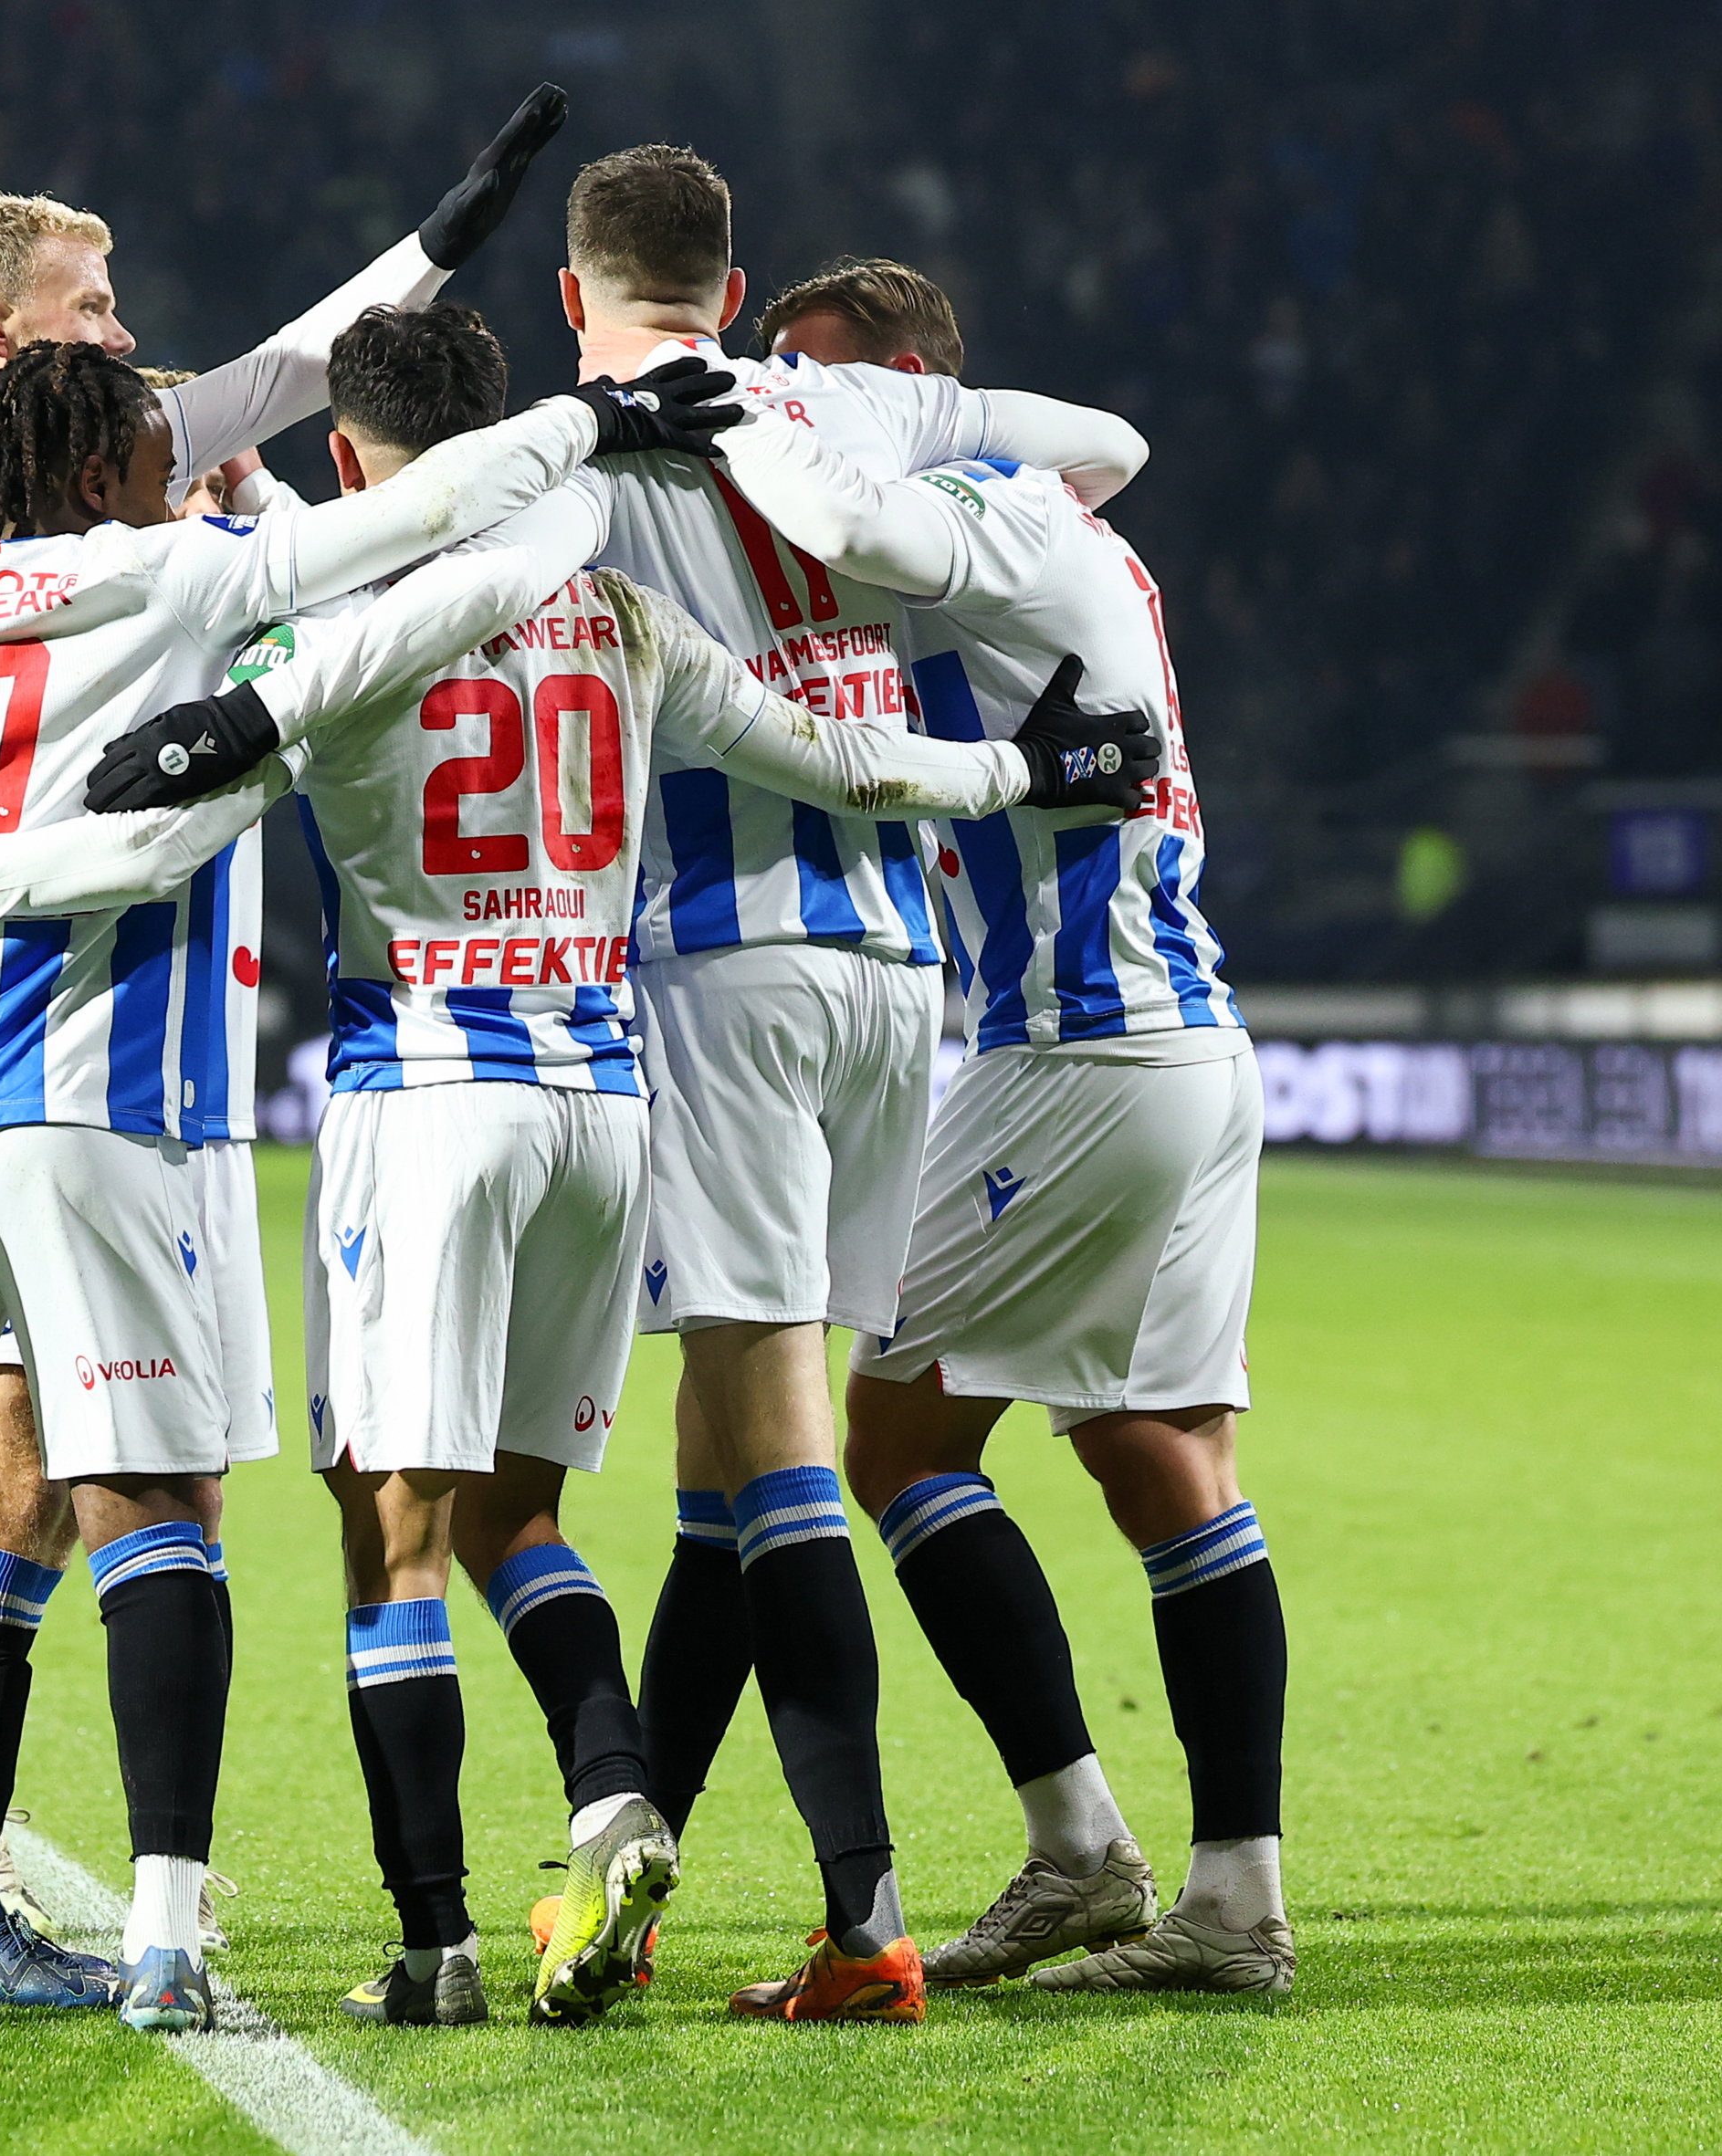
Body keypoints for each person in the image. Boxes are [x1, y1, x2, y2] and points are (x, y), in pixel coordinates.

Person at [0, 331, 737, 2030]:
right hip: (105, 1096)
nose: (181, 456)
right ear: (98, 475)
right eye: (153, 442)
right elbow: (424, 551)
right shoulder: (174, 577)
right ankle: (157, 1935)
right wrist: (584, 433)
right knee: (157, 1508)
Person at [86, 303, 1149, 2027]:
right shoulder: (625, 610)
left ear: (352, 463)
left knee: (389, 1530)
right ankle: (616, 1799)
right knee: (522, 1508)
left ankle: (432, 1945)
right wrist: (1035, 767)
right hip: (602, 1098)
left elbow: (193, 778)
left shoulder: (336, 605)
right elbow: (842, 757)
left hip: (423, 1087)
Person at [546, 144, 1147, 2024]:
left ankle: (863, 1921)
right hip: (902, 970)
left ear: (579, 294)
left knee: (778, 1447)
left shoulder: (580, 445)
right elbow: (1095, 449)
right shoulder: (849, 408)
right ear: (731, 288)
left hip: (724, 965)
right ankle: (627, 1869)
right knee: (725, 1471)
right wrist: (924, 429)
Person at [709, 257, 1287, 1994]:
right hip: (1182, 1042)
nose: (787, 397)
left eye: (814, 373)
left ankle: (1077, 1848)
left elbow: (861, 529)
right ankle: (1235, 1904)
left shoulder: (981, 509)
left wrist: (730, 411)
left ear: (900, 381)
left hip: (1078, 1048)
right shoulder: (1066, 524)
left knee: (882, 1446)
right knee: (1158, 1460)